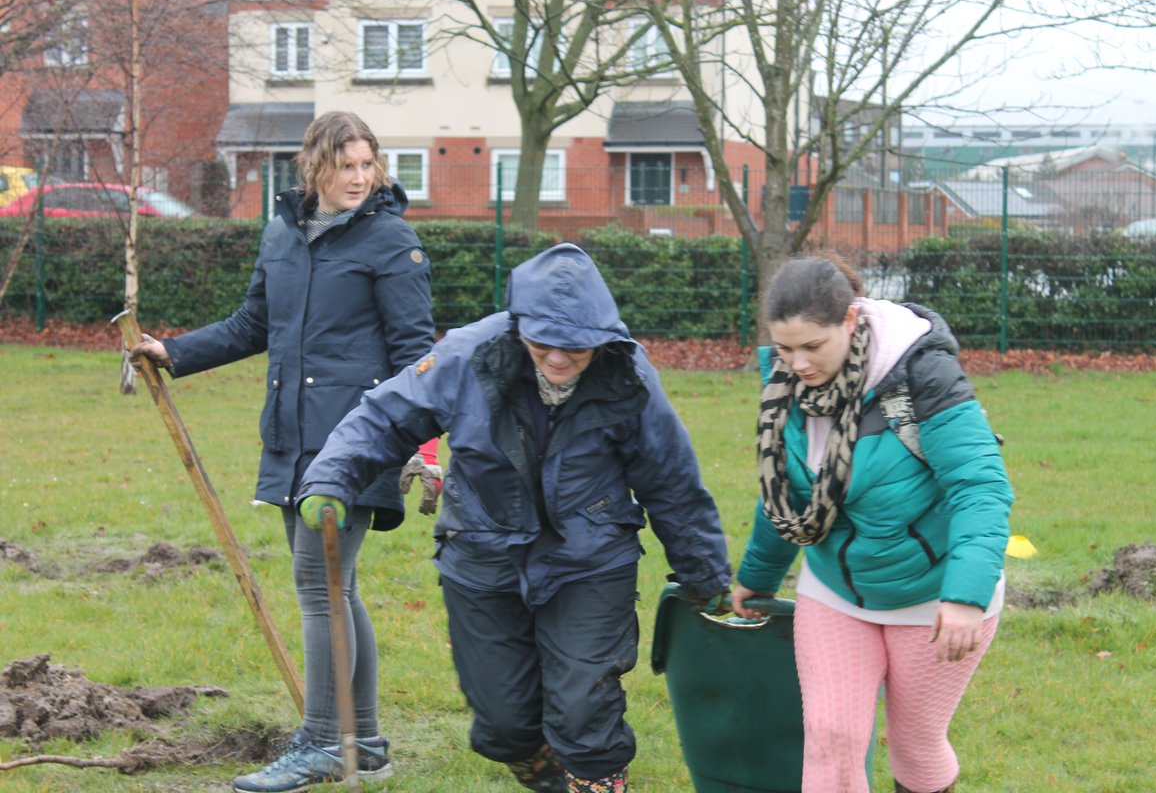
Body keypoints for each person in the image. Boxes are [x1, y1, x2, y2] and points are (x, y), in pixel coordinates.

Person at [294, 242, 732, 793]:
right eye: (543, 343)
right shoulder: (467, 356)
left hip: (590, 558)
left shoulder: (628, 375)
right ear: (518, 326)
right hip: (482, 552)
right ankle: (550, 780)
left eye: (575, 347)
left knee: (584, 710)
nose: (558, 359)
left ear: (601, 337)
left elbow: (671, 479)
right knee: (504, 726)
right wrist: (331, 479)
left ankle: (594, 779)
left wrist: (705, 576)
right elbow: (384, 418)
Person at [129, 110, 440, 793]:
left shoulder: (390, 240)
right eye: (346, 165)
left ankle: (324, 741)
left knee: (319, 586)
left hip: (357, 440)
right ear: (315, 166)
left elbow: (417, 353)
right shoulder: (283, 232)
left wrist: (422, 446)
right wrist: (173, 351)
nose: (359, 178)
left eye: (368, 165)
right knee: (337, 587)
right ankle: (365, 743)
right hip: (291, 437)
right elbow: (253, 324)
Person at [731, 255, 1013, 793]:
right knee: (830, 736)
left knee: (915, 744)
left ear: (850, 319)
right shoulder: (784, 389)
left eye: (812, 346)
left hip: (932, 592)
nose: (797, 363)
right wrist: (758, 576)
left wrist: (965, 597)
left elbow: (980, 487)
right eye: (784, 348)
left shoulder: (922, 373)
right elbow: (786, 492)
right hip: (835, 591)